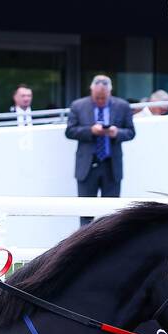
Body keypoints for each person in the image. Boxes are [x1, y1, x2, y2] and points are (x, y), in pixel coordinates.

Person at [66, 74, 135, 225]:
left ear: (110, 92)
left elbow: (131, 132)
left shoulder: (122, 106)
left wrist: (117, 133)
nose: (100, 101)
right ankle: (84, 246)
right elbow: (70, 131)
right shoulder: (78, 105)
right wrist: (91, 131)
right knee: (85, 214)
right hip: (87, 167)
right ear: (91, 91)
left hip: (111, 167)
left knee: (111, 215)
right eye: (97, 98)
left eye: (103, 98)